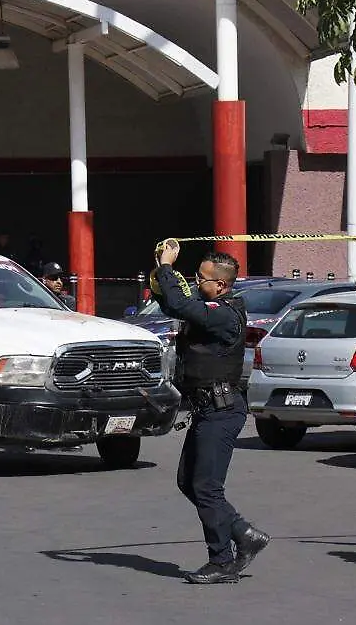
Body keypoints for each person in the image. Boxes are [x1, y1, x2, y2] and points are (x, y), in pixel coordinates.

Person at [152, 240, 270, 584]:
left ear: (220, 284)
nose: (195, 282)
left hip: (223, 410)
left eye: (201, 278)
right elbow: (171, 303)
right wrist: (160, 270)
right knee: (188, 482)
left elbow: (178, 301)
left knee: (206, 487)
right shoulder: (207, 307)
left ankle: (221, 561)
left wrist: (167, 268)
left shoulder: (224, 314)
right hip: (206, 409)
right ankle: (244, 534)